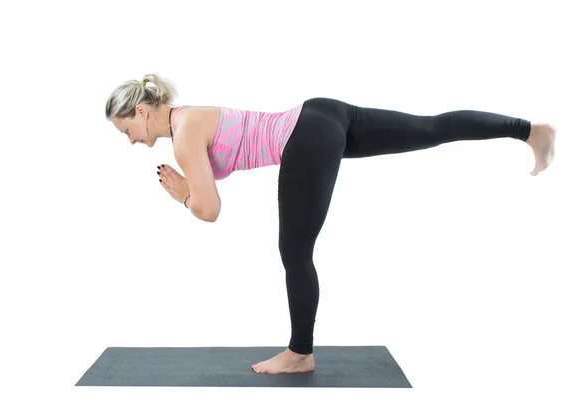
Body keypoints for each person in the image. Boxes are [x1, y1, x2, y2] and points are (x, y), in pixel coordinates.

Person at [105, 73, 556, 375]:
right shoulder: (188, 118)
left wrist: (183, 194)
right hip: (324, 113)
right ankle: (528, 130)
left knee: (294, 253)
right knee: (430, 128)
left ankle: (300, 353)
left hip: (304, 140)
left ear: (142, 112)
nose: (130, 140)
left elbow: (210, 209)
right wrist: (191, 190)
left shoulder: (183, 138)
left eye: (126, 129)